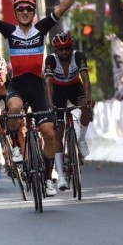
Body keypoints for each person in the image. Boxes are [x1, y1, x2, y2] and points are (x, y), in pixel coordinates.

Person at [0, 0, 86, 197]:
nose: (25, 12)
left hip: (38, 87)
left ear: (33, 12)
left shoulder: (42, 28)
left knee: (49, 134)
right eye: (21, 10)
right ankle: (16, 147)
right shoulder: (10, 31)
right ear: (16, 13)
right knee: (15, 110)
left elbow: (62, 9)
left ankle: (48, 178)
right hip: (18, 85)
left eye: (28, 9)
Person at [44, 32, 94, 191]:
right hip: (57, 90)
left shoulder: (78, 56)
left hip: (74, 87)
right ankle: (61, 176)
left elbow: (85, 77)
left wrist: (88, 98)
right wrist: (50, 102)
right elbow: (48, 82)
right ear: (56, 50)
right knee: (58, 130)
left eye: (67, 49)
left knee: (86, 106)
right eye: (60, 49)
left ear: (71, 48)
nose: (64, 52)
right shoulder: (51, 60)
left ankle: (81, 139)